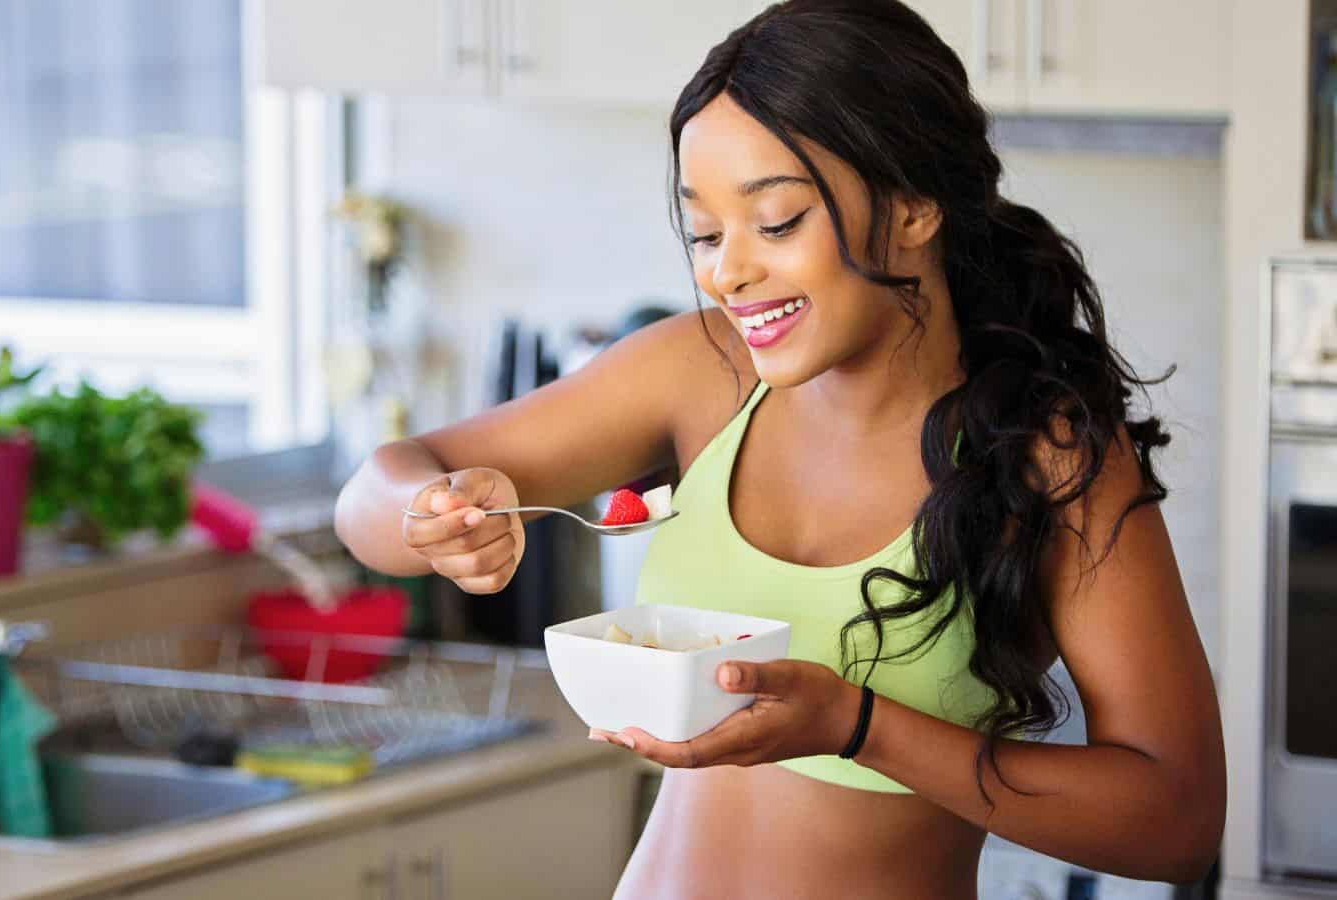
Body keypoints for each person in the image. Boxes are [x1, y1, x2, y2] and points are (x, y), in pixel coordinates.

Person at [333, 1, 1226, 895]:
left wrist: (857, 725)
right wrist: (430, 516)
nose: (728, 272)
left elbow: (1176, 822)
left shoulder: (1048, 454)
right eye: (707, 234)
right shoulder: (702, 371)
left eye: (778, 222)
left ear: (916, 206)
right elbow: (374, 492)